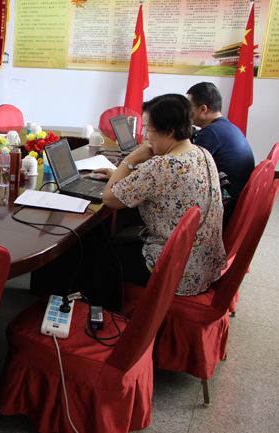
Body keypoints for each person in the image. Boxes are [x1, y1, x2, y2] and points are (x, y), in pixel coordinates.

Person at [95, 94, 227, 305]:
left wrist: (129, 161)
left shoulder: (160, 167)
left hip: (177, 274)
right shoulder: (202, 153)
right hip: (203, 264)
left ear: (169, 131)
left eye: (149, 129)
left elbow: (109, 198)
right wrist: (130, 174)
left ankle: (108, 317)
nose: (146, 136)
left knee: (106, 254)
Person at [186, 82, 255, 196]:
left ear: (203, 109)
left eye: (189, 107)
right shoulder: (227, 126)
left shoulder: (210, 133)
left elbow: (188, 168)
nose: (187, 112)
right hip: (239, 194)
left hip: (225, 199)